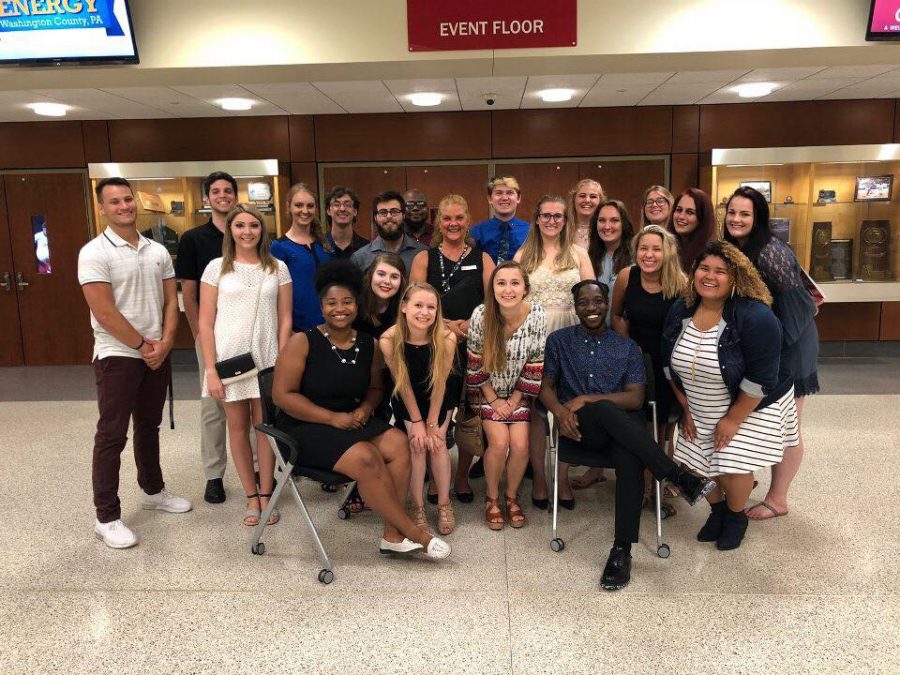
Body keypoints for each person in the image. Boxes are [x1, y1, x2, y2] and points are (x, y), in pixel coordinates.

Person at [540, 279, 714, 590]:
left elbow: (635, 398)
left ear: (607, 305)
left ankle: (621, 551)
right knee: (608, 412)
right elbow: (546, 388)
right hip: (580, 429)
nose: (591, 308)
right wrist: (564, 411)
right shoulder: (559, 341)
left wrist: (586, 398)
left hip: (623, 432)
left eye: (598, 302)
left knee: (628, 451)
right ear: (575, 307)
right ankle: (676, 475)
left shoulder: (627, 347)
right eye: (584, 303)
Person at [273, 260, 451, 560]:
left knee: (398, 442)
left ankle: (392, 536)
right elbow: (281, 395)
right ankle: (414, 532)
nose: (339, 308)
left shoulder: (368, 343)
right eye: (331, 303)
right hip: (305, 427)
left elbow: (375, 388)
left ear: (357, 305)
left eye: (347, 302)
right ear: (321, 306)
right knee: (367, 458)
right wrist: (332, 418)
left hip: (352, 420)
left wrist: (367, 408)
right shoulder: (302, 342)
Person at [661, 241, 799, 551]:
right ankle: (718, 511)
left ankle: (736, 517)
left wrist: (734, 419)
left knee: (731, 462)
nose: (710, 276)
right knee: (698, 462)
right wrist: (685, 407)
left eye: (720, 271)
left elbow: (761, 377)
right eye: (704, 269)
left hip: (751, 403)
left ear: (736, 277)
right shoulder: (681, 309)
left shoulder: (755, 316)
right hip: (698, 401)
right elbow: (667, 364)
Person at [79, 177, 192, 549]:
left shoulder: (156, 250)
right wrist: (144, 344)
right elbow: (104, 311)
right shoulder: (94, 252)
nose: (124, 206)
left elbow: (169, 302)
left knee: (149, 425)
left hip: (155, 352)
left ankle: (153, 489)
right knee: (112, 434)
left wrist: (167, 342)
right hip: (118, 355)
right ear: (102, 208)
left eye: (128, 199)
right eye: (114, 202)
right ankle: (107, 516)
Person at [722, 186, 819, 521]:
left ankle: (778, 499)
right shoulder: (737, 247)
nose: (736, 219)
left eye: (744, 214)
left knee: (789, 424)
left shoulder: (769, 251)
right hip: (768, 342)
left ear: (758, 217)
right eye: (732, 212)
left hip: (790, 345)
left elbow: (798, 306)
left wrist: (770, 351)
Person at [199, 203, 293, 526]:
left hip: (267, 358)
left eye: (253, 225)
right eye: (240, 226)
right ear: (231, 230)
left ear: (262, 229)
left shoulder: (278, 268)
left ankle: (267, 494)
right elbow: (205, 323)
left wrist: (282, 360)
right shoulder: (216, 268)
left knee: (265, 429)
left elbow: (285, 319)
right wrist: (211, 369)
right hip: (229, 360)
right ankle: (251, 498)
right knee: (237, 429)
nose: (247, 232)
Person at [410, 194, 494, 503]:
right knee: (438, 411)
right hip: (433, 345)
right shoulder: (424, 258)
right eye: (447, 218)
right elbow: (416, 301)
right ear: (439, 223)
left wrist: (471, 325)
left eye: (459, 218)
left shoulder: (482, 258)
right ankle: (435, 478)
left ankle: (461, 477)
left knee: (471, 413)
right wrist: (446, 328)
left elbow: (493, 301)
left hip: (473, 344)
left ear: (468, 220)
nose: (453, 224)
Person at [514, 195, 594, 510]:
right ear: (536, 218)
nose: (551, 221)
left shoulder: (578, 254)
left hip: (571, 337)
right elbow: (514, 300)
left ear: (565, 220)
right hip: (534, 338)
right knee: (536, 413)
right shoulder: (524, 255)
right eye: (546, 215)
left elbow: (591, 298)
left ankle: (562, 478)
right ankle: (541, 480)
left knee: (565, 408)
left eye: (558, 216)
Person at [611, 224, 688, 512]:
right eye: (644, 248)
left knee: (663, 429)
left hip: (668, 366)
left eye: (656, 249)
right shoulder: (626, 276)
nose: (649, 254)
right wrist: (628, 349)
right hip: (634, 362)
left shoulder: (681, 283)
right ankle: (642, 486)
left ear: (667, 252)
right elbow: (617, 315)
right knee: (638, 426)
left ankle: (658, 484)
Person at [466, 261, 546, 530]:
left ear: (525, 288)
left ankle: (511, 497)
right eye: (501, 283)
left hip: (519, 391)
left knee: (521, 445)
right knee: (499, 443)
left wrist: (512, 401)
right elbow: (474, 364)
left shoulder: (537, 315)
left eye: (514, 283)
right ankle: (491, 498)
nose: (508, 289)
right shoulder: (481, 314)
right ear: (493, 288)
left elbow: (536, 364)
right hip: (485, 390)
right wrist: (494, 400)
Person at [175, 171, 238, 504]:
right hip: (211, 334)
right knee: (214, 405)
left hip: (244, 334)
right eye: (216, 191)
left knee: (250, 403)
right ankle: (214, 476)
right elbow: (189, 292)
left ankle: (257, 472)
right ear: (207, 199)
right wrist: (200, 333)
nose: (223, 196)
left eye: (228, 191)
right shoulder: (194, 239)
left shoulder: (246, 233)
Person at [380, 283, 459, 534]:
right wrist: (416, 422)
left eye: (431, 307)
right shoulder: (389, 339)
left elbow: (441, 384)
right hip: (407, 400)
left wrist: (433, 423)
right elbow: (402, 385)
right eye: (418, 305)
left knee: (437, 445)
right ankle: (417, 505)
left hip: (438, 399)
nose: (424, 312)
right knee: (416, 446)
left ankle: (444, 503)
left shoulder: (446, 338)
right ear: (404, 307)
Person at [577, 199, 635, 489]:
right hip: (595, 340)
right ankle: (594, 467)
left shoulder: (637, 254)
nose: (607, 226)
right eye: (602, 221)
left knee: (625, 404)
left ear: (624, 223)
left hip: (627, 340)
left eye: (614, 220)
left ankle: (636, 467)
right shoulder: (590, 256)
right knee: (596, 399)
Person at [271, 183, 334, 331]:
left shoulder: (325, 244)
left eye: (310, 206)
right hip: (297, 329)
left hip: (330, 326)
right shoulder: (279, 247)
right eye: (299, 205)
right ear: (289, 207)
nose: (305, 211)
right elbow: (274, 295)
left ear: (316, 209)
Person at [351, 191, 427, 273]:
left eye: (394, 211)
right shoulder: (360, 258)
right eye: (383, 212)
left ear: (404, 215)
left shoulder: (423, 253)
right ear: (375, 217)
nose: (389, 216)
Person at [470, 175, 531, 264]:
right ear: (490, 199)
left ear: (518, 198)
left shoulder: (531, 232)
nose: (505, 198)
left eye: (510, 193)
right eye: (498, 193)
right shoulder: (477, 232)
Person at [669, 188, 718, 272]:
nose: (681, 217)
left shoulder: (710, 255)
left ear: (702, 218)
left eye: (690, 212)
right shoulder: (666, 247)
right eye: (678, 210)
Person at [325, 186, 369, 259]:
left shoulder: (367, 248)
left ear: (355, 211)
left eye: (347, 205)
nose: (342, 209)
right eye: (337, 205)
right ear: (328, 211)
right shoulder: (319, 246)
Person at [566, 179, 605, 250]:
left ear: (600, 201)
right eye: (582, 196)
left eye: (593, 196)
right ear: (574, 199)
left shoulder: (606, 229)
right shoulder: (562, 229)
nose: (587, 200)